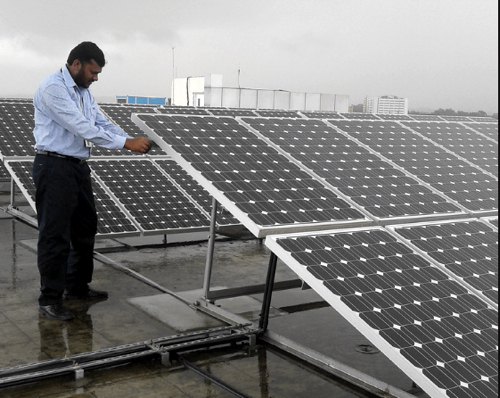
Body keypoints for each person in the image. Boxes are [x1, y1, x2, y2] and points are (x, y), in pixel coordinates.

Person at [32, 41, 152, 321]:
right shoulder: (53, 88)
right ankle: (49, 298)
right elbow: (81, 126)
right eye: (92, 72)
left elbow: (101, 122)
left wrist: (133, 139)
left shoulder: (84, 93)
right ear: (76, 64)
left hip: (76, 167)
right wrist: (126, 144)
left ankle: (77, 288)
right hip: (53, 166)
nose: (95, 78)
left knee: (85, 228)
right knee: (55, 235)